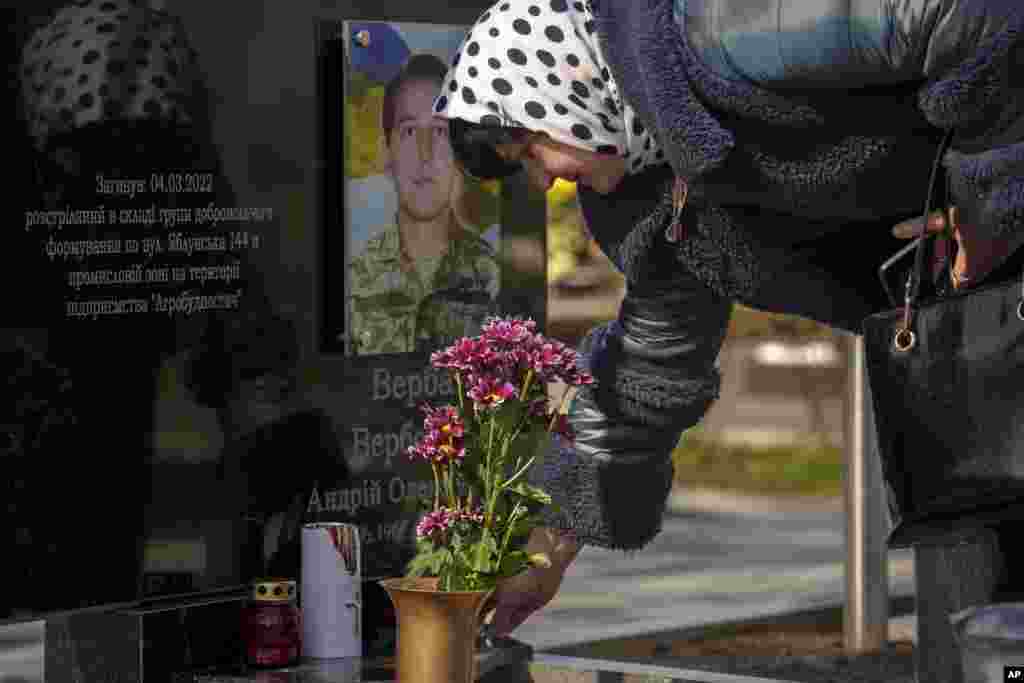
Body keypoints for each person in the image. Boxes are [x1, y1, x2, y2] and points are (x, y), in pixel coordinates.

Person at [433, 0, 1024, 670]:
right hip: (974, 359)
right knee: (978, 634)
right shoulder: (644, 198)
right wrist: (547, 545)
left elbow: (973, 16)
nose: (543, 182)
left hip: (1000, 285)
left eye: (530, 150)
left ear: (561, 78)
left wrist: (988, 204)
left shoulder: (717, 31)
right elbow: (651, 369)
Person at [348, 53, 501, 356]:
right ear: (387, 152)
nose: (424, 154)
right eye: (408, 131)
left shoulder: (495, 276)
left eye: (440, 132)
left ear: (460, 151)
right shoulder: (352, 283)